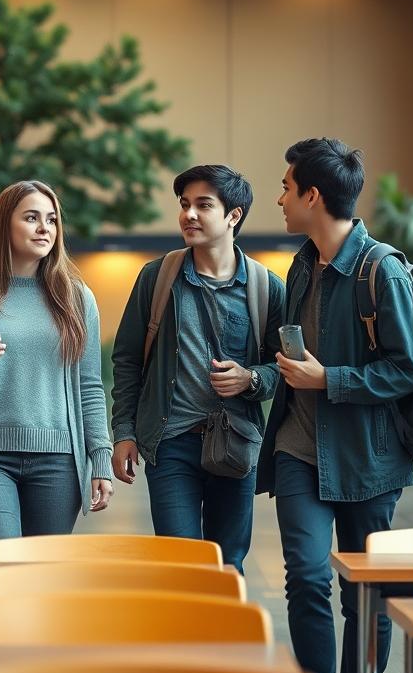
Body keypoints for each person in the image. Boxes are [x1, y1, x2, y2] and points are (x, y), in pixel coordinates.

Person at [260, 138, 413, 673]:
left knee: (365, 593)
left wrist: (330, 379)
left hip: (368, 458)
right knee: (305, 576)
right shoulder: (301, 266)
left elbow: (407, 370)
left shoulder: (383, 272)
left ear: (312, 195)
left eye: (285, 187)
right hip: (297, 450)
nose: (278, 198)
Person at [110, 164, 286, 575]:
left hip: (237, 442)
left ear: (233, 216)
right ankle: (184, 640)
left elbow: (284, 367)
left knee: (228, 564)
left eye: (203, 205)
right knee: (180, 564)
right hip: (170, 443)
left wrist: (251, 378)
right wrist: (124, 432)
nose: (189, 214)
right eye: (184, 204)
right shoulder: (158, 277)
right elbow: (128, 359)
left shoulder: (266, 287)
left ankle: (229, 639)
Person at [0, 180, 113, 549]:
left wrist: (101, 459)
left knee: (42, 575)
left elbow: (89, 386)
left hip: (59, 459)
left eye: (51, 219)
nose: (45, 228)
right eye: (31, 218)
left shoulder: (77, 298)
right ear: (4, 225)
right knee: (0, 564)